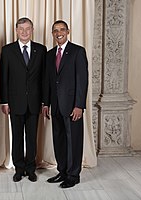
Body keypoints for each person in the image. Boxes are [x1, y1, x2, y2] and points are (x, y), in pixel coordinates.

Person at [0, 17, 47, 182]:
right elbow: (4, 78)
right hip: (14, 103)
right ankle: (19, 168)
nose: (25, 32)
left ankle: (31, 168)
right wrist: (4, 102)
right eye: (21, 29)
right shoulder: (7, 50)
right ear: (16, 30)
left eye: (28, 29)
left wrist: (44, 102)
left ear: (32, 30)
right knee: (17, 137)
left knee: (32, 138)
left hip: (34, 103)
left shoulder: (41, 50)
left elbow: (44, 79)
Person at [42, 20, 88, 188]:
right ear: (52, 33)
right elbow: (48, 80)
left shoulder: (77, 51)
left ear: (68, 32)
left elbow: (82, 81)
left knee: (73, 140)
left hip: (72, 106)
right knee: (59, 139)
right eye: (55, 30)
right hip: (55, 106)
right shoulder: (50, 54)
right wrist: (46, 103)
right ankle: (62, 171)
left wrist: (79, 105)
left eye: (62, 29)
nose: (58, 32)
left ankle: (73, 175)